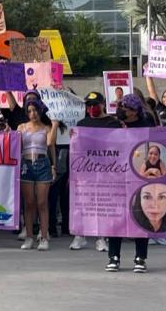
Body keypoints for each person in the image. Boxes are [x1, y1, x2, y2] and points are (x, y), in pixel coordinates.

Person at [105, 93, 154, 273]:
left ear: (134, 112)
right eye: (121, 106)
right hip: (116, 178)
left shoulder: (146, 127)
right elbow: (93, 140)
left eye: (125, 107)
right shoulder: (112, 125)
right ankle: (113, 256)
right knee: (115, 217)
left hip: (139, 177)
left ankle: (140, 257)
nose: (121, 110)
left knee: (141, 215)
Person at [70, 91, 123, 251]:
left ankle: (102, 237)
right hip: (86, 168)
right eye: (89, 105)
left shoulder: (113, 123)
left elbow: (119, 144)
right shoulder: (81, 123)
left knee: (103, 202)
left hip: (107, 168)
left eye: (95, 105)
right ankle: (80, 235)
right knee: (83, 202)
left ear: (102, 105)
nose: (92, 108)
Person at [17, 99, 59, 251]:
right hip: (26, 164)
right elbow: (16, 145)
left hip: (43, 164)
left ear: (40, 111)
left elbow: (50, 144)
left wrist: (54, 125)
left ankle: (43, 236)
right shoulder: (21, 127)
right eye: (29, 111)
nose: (32, 114)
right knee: (28, 203)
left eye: (34, 110)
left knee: (42, 202)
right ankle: (29, 236)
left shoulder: (46, 128)